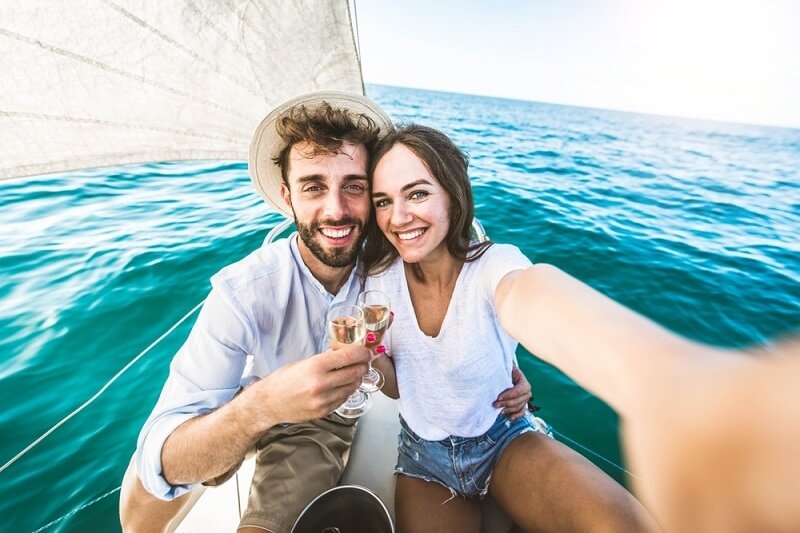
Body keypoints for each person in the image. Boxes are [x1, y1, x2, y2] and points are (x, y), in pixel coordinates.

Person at [119, 93, 532, 533]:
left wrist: (508, 366)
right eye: (314, 187)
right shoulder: (244, 291)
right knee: (148, 488)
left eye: (353, 186)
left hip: (316, 425)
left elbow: (462, 304)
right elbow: (166, 451)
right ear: (287, 197)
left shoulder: (392, 268)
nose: (336, 210)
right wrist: (263, 405)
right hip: (245, 401)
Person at [360, 124, 660, 533]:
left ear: (453, 193)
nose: (398, 217)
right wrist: (369, 356)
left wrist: (655, 372)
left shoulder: (495, 264)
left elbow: (530, 297)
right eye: (383, 201)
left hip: (502, 442)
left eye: (417, 193)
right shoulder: (378, 282)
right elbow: (397, 387)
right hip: (422, 457)